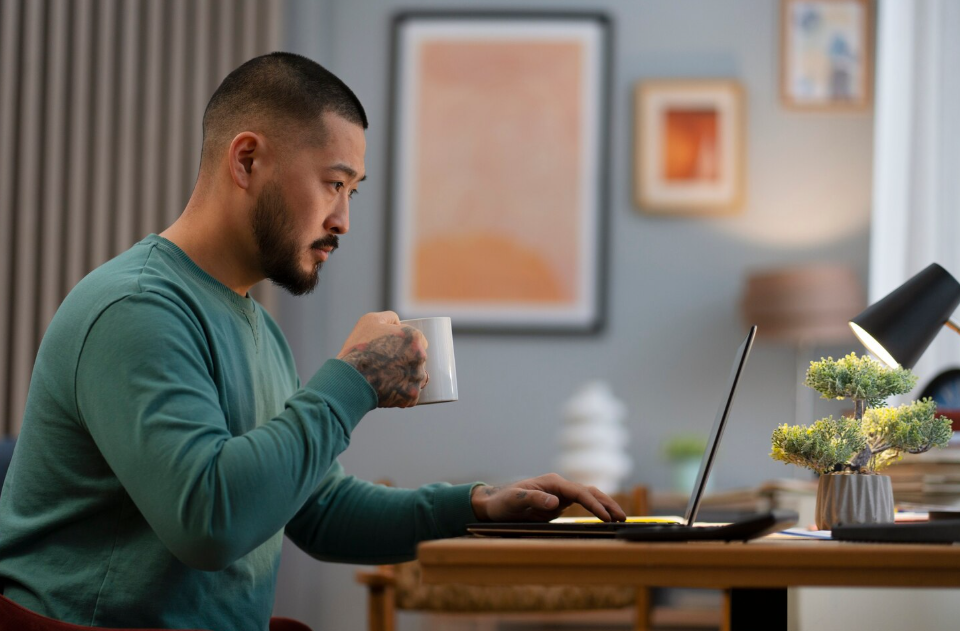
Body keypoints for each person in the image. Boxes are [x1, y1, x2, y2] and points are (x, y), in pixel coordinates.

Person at [0, 52, 625, 630]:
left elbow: (318, 508)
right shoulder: (138, 309)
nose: (343, 221)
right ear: (246, 160)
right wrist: (351, 381)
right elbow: (210, 523)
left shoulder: (255, 326)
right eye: (333, 184)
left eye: (353, 193)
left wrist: (482, 507)